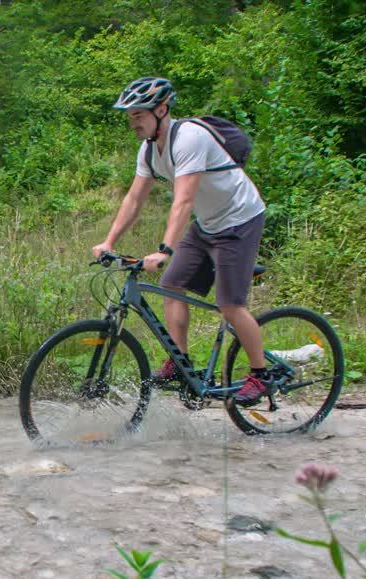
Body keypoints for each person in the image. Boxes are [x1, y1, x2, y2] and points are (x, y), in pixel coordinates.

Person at [90, 77, 269, 406]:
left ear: (162, 110)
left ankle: (260, 375)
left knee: (230, 304)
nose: (133, 123)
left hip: (239, 221)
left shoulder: (188, 138)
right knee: (171, 284)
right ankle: (180, 362)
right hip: (208, 223)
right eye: (129, 116)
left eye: (138, 115)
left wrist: (164, 250)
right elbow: (134, 199)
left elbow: (183, 200)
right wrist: (109, 240)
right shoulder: (148, 151)